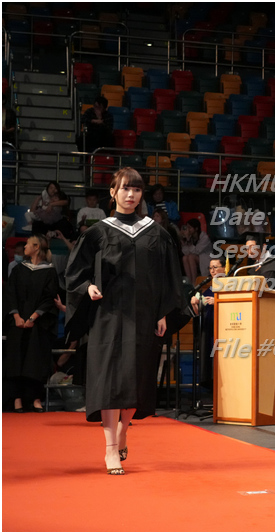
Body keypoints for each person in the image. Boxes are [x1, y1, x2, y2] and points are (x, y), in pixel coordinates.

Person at [65, 167, 184, 475]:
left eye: (137, 189)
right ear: (113, 192)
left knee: (136, 378)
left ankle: (123, 430)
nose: (131, 195)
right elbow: (75, 272)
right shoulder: (98, 232)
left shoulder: (155, 232)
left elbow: (168, 277)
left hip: (143, 315)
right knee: (109, 381)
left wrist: (162, 311)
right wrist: (87, 287)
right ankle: (110, 449)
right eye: (125, 189)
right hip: (108, 315)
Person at [5, 234, 59, 412]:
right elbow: (10, 293)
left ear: (36, 247)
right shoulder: (18, 269)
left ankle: (35, 398)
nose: (24, 247)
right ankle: (17, 398)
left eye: (28, 244)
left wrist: (33, 317)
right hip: (17, 322)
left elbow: (49, 298)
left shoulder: (49, 271)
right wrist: (16, 316)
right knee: (16, 360)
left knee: (36, 360)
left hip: (38, 324)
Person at [190, 257, 226, 388]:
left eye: (215, 267)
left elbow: (236, 306)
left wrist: (218, 302)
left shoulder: (230, 286)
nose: (212, 270)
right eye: (210, 268)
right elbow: (199, 312)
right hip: (209, 330)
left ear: (224, 268)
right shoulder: (210, 288)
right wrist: (195, 303)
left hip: (224, 331)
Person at [181, 218, 212, 284]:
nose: (188, 230)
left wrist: (189, 241)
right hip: (195, 258)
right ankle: (190, 281)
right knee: (185, 258)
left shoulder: (204, 237)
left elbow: (197, 251)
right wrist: (186, 241)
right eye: (187, 228)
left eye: (190, 228)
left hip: (205, 259)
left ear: (196, 228)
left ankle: (195, 281)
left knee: (191, 257)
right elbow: (185, 252)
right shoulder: (190, 237)